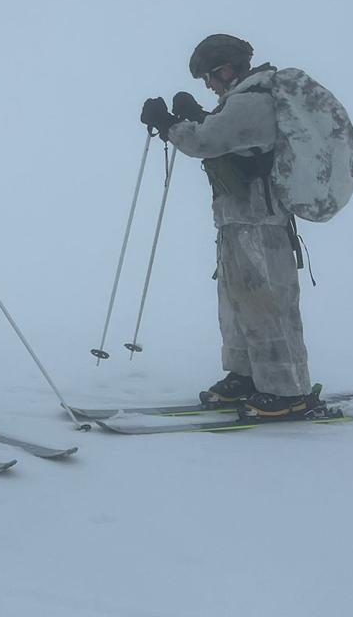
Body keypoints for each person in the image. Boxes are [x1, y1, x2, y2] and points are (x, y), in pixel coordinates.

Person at [140, 33, 318, 420]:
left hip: (261, 223)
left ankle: (287, 390)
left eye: (208, 76)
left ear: (226, 68)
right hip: (238, 221)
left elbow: (209, 142)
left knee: (267, 304)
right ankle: (246, 375)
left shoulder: (254, 100)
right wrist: (195, 117)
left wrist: (173, 125)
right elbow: (226, 139)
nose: (207, 84)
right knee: (237, 303)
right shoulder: (239, 103)